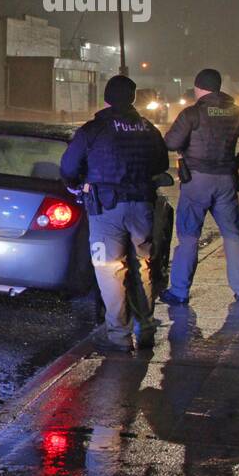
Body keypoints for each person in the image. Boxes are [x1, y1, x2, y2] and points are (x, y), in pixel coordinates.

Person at [60, 74, 169, 352]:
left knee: (109, 271)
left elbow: (69, 168)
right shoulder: (148, 128)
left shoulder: (94, 129)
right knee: (144, 267)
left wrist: (76, 186)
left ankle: (119, 336)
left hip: (105, 210)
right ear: (133, 98)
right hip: (142, 207)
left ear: (107, 98)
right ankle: (145, 328)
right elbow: (161, 164)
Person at [160, 68, 239, 306]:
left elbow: (171, 142)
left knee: (188, 236)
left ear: (198, 88)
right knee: (232, 234)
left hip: (196, 181)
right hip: (226, 180)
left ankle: (179, 291)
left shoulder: (192, 114)